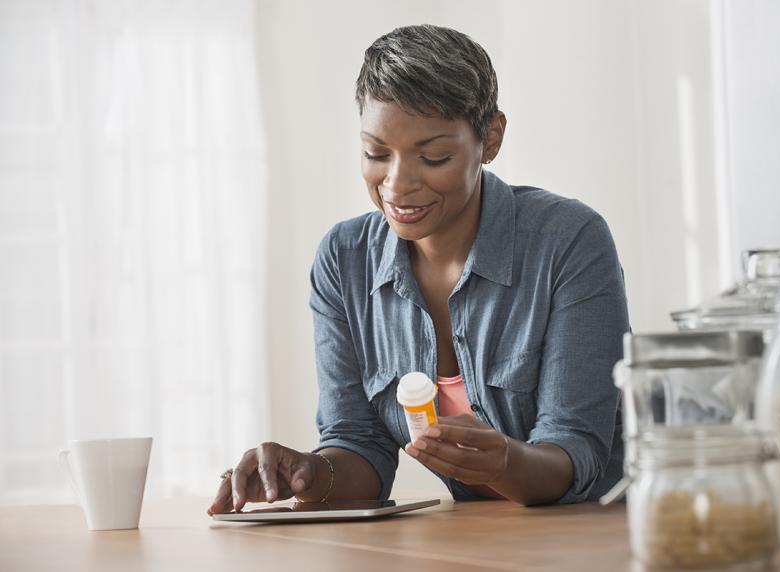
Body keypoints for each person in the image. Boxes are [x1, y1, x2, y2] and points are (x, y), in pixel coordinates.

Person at [208, 24, 629, 514]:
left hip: (599, 533)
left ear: (490, 139)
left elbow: (575, 453)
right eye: (376, 153)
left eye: (433, 157)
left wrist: (503, 461)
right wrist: (309, 473)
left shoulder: (568, 241)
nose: (398, 183)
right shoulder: (344, 262)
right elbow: (359, 446)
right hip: (477, 541)